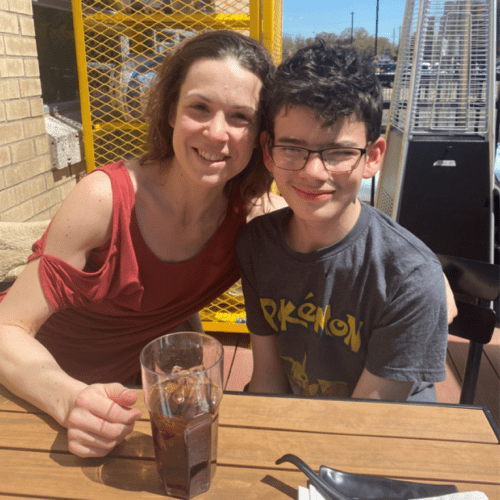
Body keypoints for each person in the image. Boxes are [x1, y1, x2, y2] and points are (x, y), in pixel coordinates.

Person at [0, 30, 284, 458]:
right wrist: (68, 399)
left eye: (241, 117)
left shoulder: (255, 221)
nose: (216, 132)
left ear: (260, 134)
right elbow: (7, 329)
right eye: (199, 108)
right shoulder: (105, 199)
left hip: (119, 407)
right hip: (27, 389)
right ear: (171, 112)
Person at [237, 40, 451, 402]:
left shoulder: (409, 277)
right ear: (268, 152)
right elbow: (268, 378)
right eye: (292, 148)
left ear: (373, 156)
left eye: (338, 152)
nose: (313, 172)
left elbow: (365, 420)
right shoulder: (256, 245)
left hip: (380, 429)